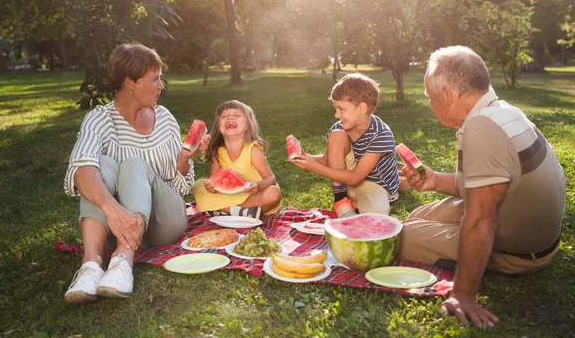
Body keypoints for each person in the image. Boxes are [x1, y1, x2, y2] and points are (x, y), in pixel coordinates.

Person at [399, 46, 565, 328]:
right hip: (531, 229)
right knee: (416, 218)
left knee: (403, 236)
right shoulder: (499, 111)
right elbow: (486, 184)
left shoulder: (481, 128)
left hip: (521, 254)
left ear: (448, 94)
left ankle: (478, 271)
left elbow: (480, 219)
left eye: (431, 97)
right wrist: (435, 180)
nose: (430, 104)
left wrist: (463, 295)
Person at [63, 43, 209, 305]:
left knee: (133, 163)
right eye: (154, 80)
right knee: (100, 165)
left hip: (165, 221)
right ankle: (91, 265)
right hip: (116, 225)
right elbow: (81, 170)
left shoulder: (165, 119)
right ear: (129, 82)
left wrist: (185, 157)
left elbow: (181, 186)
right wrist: (113, 210)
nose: (161, 86)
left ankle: (122, 260)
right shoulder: (99, 120)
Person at [290, 73, 400, 217]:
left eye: (341, 109)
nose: (336, 115)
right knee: (337, 134)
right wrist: (305, 157)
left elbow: (356, 177)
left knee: (377, 214)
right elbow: (327, 159)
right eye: (336, 109)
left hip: (375, 185)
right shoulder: (340, 126)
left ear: (362, 108)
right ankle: (340, 198)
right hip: (346, 181)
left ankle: (355, 201)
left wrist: (315, 168)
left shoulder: (381, 135)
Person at [192, 100, 281, 218]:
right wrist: (210, 186)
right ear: (219, 126)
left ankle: (226, 209)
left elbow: (271, 178)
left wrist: (258, 185)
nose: (230, 118)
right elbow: (213, 181)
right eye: (224, 116)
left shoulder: (252, 150)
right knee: (198, 186)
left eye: (237, 115)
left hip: (256, 195)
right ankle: (241, 212)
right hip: (232, 196)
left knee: (273, 194)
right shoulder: (218, 152)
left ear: (247, 126)